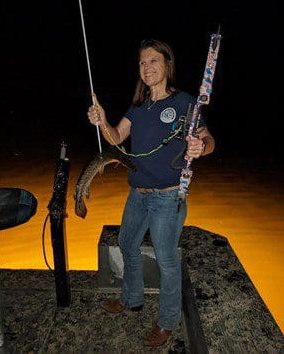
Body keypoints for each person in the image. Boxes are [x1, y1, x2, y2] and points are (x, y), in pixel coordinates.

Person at [88, 39, 215, 347]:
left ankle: (167, 322)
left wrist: (201, 147)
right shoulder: (138, 106)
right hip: (138, 193)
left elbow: (209, 140)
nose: (146, 68)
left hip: (168, 196)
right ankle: (131, 299)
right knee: (126, 242)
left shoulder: (186, 103)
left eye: (153, 61)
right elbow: (117, 137)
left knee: (166, 259)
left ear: (167, 65)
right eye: (142, 63)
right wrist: (102, 120)